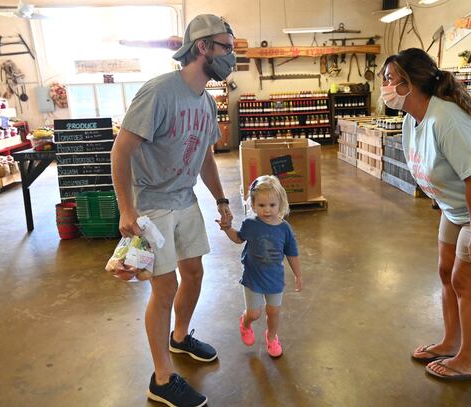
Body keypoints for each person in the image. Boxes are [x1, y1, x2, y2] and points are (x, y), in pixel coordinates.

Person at [379, 48, 471, 382]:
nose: (384, 86)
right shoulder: (411, 120)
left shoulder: (447, 119)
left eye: (389, 79)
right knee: (446, 272)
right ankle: (450, 341)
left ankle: (470, 360)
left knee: (465, 282)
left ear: (410, 82)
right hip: (458, 206)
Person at [111, 14, 236, 407]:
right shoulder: (159, 92)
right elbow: (121, 150)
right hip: (152, 204)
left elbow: (205, 157)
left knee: (194, 273)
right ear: (203, 47)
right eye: (226, 48)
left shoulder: (206, 102)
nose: (231, 56)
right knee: (164, 287)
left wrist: (221, 200)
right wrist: (126, 208)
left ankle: (180, 338)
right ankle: (162, 379)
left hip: (185, 198)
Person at [217, 175, 303, 357]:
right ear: (253, 205)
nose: (267, 210)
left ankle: (271, 338)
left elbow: (292, 253)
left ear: (280, 203)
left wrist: (298, 275)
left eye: (272, 205)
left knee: (273, 312)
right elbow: (238, 239)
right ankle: (245, 323)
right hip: (253, 278)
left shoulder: (284, 229)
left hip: (275, 280)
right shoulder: (250, 224)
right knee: (254, 314)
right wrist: (227, 228)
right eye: (261, 205)